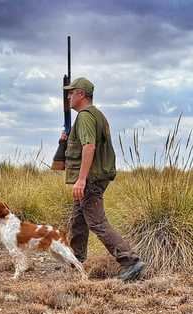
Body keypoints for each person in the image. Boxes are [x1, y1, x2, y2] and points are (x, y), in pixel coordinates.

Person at [60, 77, 145, 281]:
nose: (69, 97)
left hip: (90, 178)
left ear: (81, 94)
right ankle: (76, 261)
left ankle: (131, 261)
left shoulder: (86, 117)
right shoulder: (97, 115)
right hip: (95, 176)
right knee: (78, 220)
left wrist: (81, 180)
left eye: (72, 93)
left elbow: (89, 147)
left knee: (97, 222)